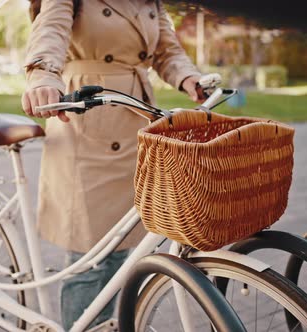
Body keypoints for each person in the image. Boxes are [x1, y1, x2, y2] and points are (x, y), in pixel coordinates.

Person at [22, 0, 203, 329]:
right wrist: (42, 75)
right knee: (92, 259)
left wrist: (189, 77)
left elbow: (166, 50)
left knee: (128, 249)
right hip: (87, 116)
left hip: (136, 120)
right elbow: (50, 30)